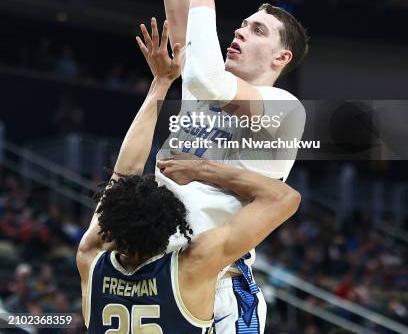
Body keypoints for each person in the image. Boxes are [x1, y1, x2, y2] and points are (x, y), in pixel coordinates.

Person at [154, 0, 309, 332]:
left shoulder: (284, 111)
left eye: (258, 31)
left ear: (281, 58)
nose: (240, 32)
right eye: (241, 24)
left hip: (218, 282)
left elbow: (206, 84)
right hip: (155, 262)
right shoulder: (205, 69)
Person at [76, 19, 301, 333]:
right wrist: (201, 169)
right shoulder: (189, 268)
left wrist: (160, 83)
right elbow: (285, 197)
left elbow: (121, 175)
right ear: (173, 228)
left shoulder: (90, 256)